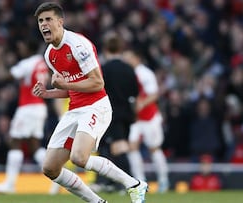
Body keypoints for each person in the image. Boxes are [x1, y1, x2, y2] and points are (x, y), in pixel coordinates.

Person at [32, 2, 147, 203]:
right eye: (40, 21)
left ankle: (135, 184)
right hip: (75, 109)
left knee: (79, 157)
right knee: (50, 168)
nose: (43, 24)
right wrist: (48, 94)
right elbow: (71, 90)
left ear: (60, 21)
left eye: (48, 19)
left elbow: (97, 83)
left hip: (96, 106)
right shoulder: (50, 54)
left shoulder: (78, 45)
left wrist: (65, 82)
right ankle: (98, 201)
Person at [0, 39, 49, 194]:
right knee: (34, 147)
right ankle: (59, 177)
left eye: (22, 46)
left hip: (27, 107)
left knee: (15, 142)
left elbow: (1, 77)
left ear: (29, 47)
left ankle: (9, 184)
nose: (20, 50)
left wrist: (0, 57)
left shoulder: (27, 64)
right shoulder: (42, 63)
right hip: (40, 106)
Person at [91, 31, 139, 193]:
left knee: (117, 147)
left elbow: (97, 91)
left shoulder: (103, 69)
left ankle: (131, 183)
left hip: (111, 114)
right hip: (127, 114)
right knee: (107, 147)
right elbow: (135, 92)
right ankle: (109, 182)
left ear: (105, 49)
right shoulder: (129, 69)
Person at [122, 49, 170, 193]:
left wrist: (141, 104)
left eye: (128, 58)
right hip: (134, 119)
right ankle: (140, 182)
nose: (126, 61)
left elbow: (154, 94)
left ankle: (163, 180)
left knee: (153, 148)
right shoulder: (126, 73)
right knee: (132, 147)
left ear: (136, 58)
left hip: (149, 117)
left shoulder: (145, 73)